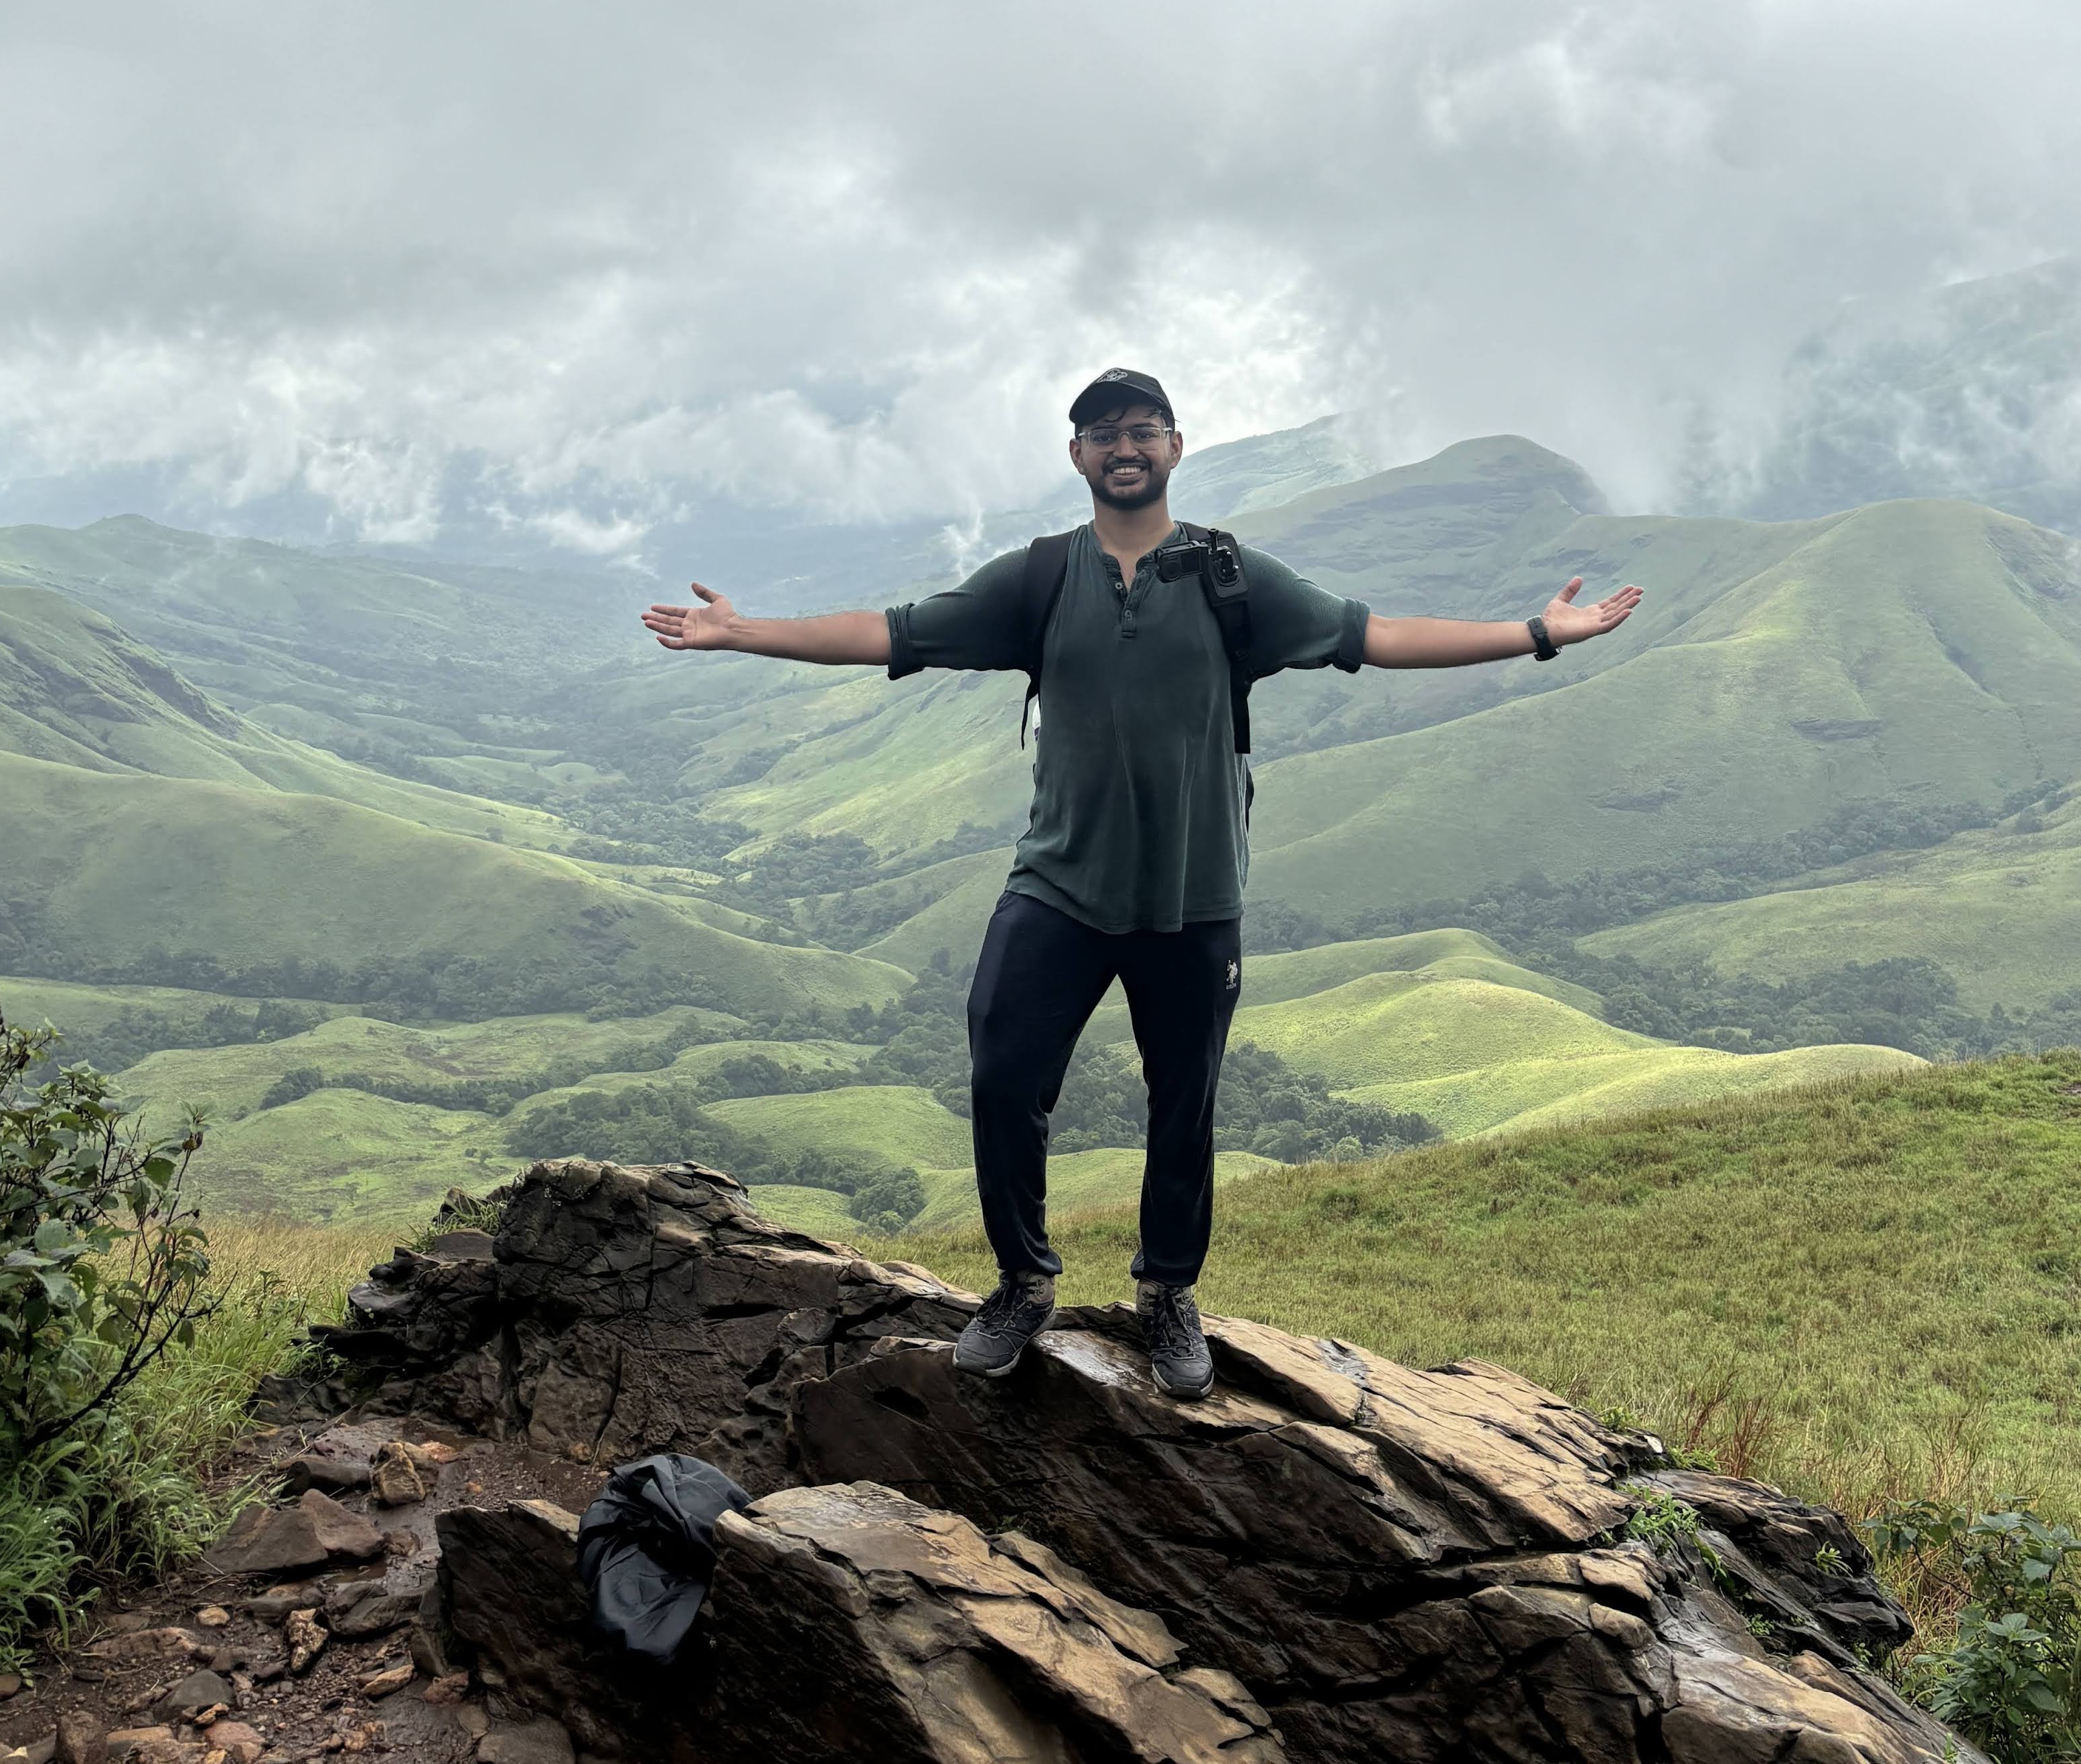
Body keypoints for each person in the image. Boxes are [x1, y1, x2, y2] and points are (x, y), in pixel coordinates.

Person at [644, 368, 1641, 1400]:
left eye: (1143, 430)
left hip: (1193, 895)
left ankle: (1167, 1291)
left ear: (1175, 446)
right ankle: (1024, 1280)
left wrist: (1534, 635)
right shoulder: (1037, 579)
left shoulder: (1228, 576)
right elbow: (893, 630)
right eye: (1103, 433)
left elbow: (1376, 636)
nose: (1125, 446)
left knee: (1186, 1103)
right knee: (1000, 1073)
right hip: (1060, 885)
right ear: (1077, 455)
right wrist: (743, 630)